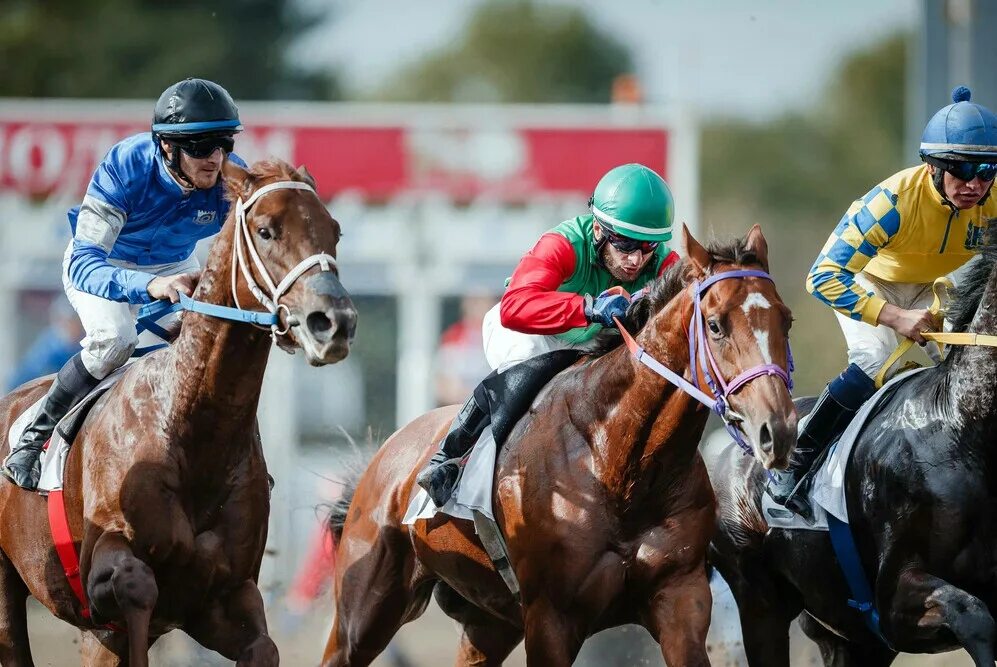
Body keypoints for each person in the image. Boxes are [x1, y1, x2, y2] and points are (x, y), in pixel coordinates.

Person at [1, 77, 247, 490]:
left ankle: (234, 457)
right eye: (202, 148)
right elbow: (84, 263)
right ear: (167, 146)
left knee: (213, 349)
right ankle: (32, 438)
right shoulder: (125, 166)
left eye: (224, 143)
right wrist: (148, 287)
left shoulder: (228, 182)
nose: (215, 159)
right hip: (104, 260)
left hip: (174, 265)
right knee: (115, 339)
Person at [767, 86, 997, 518]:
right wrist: (894, 316)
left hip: (938, 287)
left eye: (987, 170)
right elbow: (822, 276)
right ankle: (795, 462)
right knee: (876, 359)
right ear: (932, 167)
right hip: (873, 283)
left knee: (976, 370)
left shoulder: (994, 198)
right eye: (961, 168)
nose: (975, 184)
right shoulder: (891, 202)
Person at [416, 163, 679, 508]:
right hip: (529, 331)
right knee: (536, 363)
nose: (635, 260)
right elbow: (515, 307)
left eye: (647, 247)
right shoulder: (563, 243)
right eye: (626, 245)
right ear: (599, 230)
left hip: (591, 344)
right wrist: (587, 308)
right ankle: (451, 459)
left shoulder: (663, 262)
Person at [6, 296, 84, 392]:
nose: (73, 326)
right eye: (68, 322)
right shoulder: (49, 346)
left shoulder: (83, 345)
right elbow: (25, 377)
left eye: (76, 322)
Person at [433, 293, 497, 407]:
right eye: (475, 301)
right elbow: (443, 386)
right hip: (462, 407)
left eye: (483, 301)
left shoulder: (499, 335)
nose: (479, 306)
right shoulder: (452, 337)